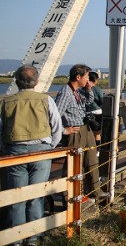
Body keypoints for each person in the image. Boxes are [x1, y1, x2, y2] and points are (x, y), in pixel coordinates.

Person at [0, 65, 63, 245]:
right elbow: (57, 127)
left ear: (16, 81)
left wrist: (6, 147)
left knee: (16, 195)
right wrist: (50, 145)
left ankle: (16, 238)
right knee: (36, 194)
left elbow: (0, 130)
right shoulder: (46, 100)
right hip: (41, 151)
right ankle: (34, 236)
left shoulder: (6, 102)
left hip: (15, 152)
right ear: (36, 81)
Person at [55, 64, 109, 200]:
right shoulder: (65, 93)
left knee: (91, 160)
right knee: (74, 165)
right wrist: (63, 130)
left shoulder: (77, 91)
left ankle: (95, 191)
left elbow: (88, 102)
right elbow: (55, 115)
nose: (88, 79)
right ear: (78, 77)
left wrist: (89, 89)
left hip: (86, 128)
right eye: (86, 77)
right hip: (75, 131)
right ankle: (70, 195)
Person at [81, 71, 103, 152]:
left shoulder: (81, 89)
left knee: (86, 133)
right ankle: (97, 150)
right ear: (95, 80)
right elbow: (102, 101)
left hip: (85, 114)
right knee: (97, 133)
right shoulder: (97, 89)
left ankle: (87, 150)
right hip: (97, 113)